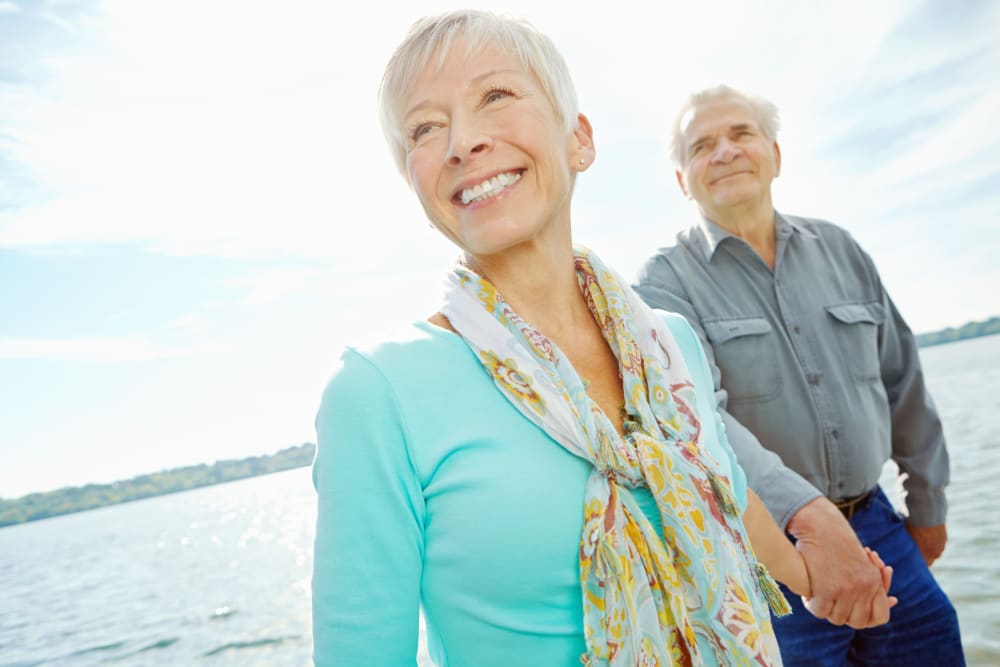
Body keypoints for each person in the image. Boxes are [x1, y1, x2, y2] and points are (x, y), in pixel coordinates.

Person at [310, 14, 892, 666]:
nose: (463, 141)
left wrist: (819, 581)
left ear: (579, 140)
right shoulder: (378, 392)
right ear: (414, 180)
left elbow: (724, 490)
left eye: (495, 96)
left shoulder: (671, 343)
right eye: (424, 127)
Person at [633, 84, 964, 665]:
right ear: (682, 179)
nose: (725, 152)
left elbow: (903, 381)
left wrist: (928, 506)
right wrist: (805, 521)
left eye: (741, 134)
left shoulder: (842, 249)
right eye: (702, 145)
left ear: (775, 154)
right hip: (764, 557)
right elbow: (699, 421)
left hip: (884, 530)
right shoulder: (662, 285)